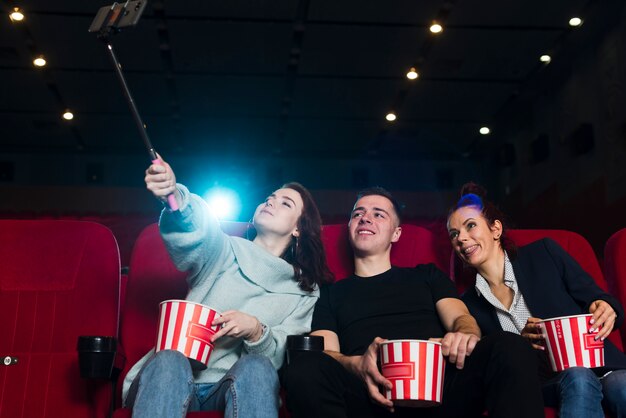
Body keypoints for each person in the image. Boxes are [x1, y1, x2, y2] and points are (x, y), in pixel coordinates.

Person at [282, 187, 544, 418]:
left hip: (440, 391)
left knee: (510, 345)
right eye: (357, 213)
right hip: (369, 396)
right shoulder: (331, 293)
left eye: (378, 214)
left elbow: (460, 318)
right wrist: (357, 365)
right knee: (303, 367)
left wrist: (464, 334)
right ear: (350, 227)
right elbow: (327, 353)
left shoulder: (426, 275)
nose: (365, 218)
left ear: (396, 233)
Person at [122, 158, 334, 418]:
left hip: (229, 389)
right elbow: (197, 228)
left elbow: (281, 356)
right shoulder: (224, 249)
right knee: (169, 359)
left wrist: (257, 331)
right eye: (270, 197)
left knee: (257, 366)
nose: (270, 201)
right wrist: (174, 195)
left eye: (285, 203)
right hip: (167, 381)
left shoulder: (304, 291)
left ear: (299, 228)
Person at [447, 182, 626, 418]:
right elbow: (493, 364)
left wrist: (607, 307)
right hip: (545, 381)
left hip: (602, 365)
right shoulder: (468, 304)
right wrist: (520, 345)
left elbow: (596, 296)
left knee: (622, 387)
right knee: (578, 377)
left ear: (495, 229)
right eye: (454, 234)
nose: (462, 238)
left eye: (471, 226)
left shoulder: (545, 253)